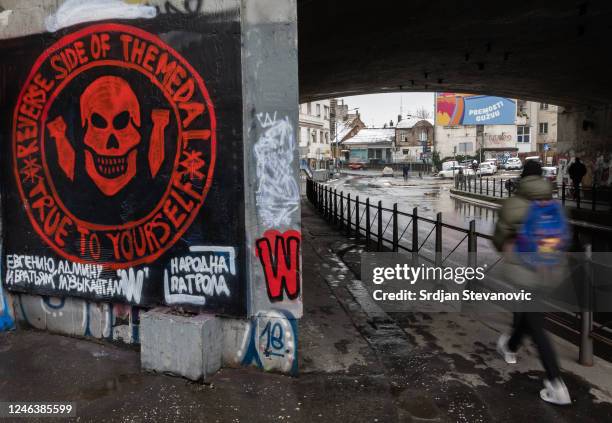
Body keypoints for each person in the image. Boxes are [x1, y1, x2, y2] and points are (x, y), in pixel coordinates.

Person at [493, 160, 572, 406]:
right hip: (551, 271)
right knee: (530, 313)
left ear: (523, 176)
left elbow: (499, 238)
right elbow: (565, 238)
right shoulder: (555, 205)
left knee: (536, 323)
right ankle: (511, 345)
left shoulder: (514, 204)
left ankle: (556, 382)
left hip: (524, 271)